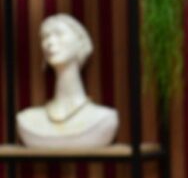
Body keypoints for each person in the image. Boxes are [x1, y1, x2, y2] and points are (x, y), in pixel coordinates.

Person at [16, 13, 118, 148]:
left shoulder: (105, 119)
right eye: (45, 37)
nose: (49, 42)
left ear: (80, 42)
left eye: (59, 34)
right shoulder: (26, 120)